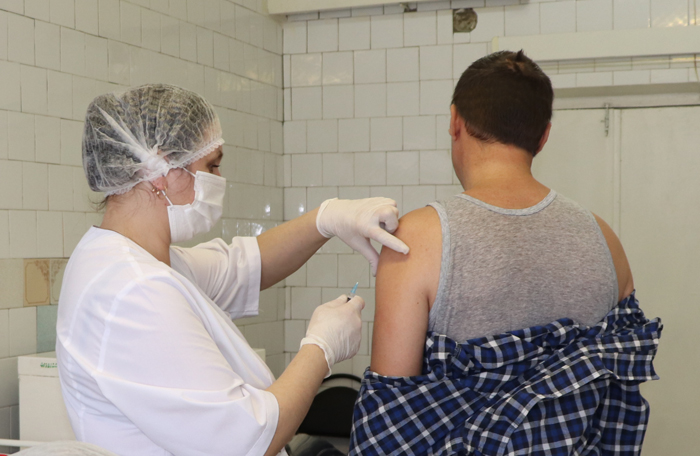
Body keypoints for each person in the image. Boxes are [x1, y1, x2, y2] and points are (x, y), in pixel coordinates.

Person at [56, 84, 409, 456]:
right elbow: (246, 440)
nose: (219, 179)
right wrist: (321, 347)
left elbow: (245, 265)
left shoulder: (139, 262)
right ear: (160, 169)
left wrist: (328, 218)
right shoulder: (131, 289)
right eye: (211, 165)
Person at [349, 51, 661, 455]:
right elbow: (617, 408)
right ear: (544, 136)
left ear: (455, 122)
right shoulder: (606, 241)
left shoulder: (417, 240)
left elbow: (391, 423)